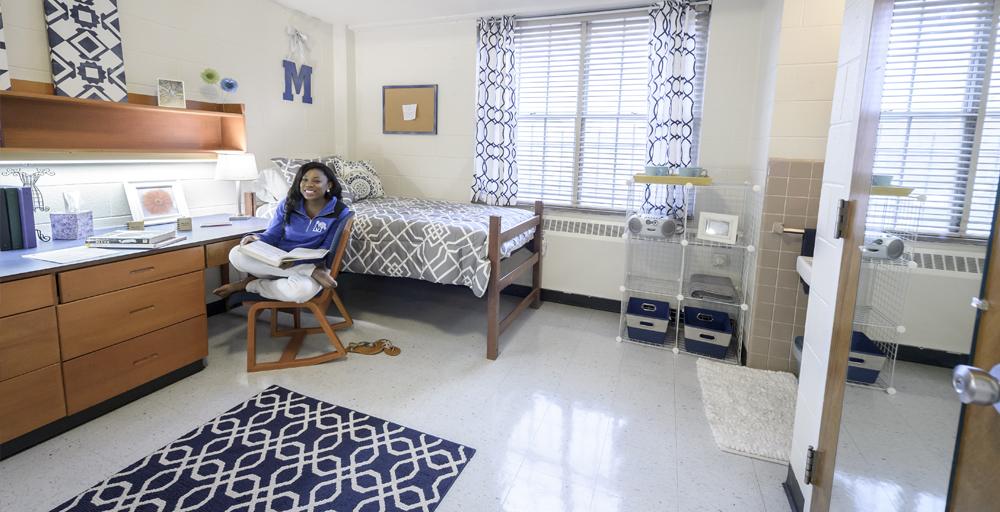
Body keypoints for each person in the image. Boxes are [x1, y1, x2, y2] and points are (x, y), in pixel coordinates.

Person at [212, 161, 350, 303]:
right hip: (282, 261)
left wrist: (304, 264)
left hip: (315, 265)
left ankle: (249, 284)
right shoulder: (288, 203)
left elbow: (327, 249)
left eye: (316, 181)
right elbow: (272, 235)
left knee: (300, 291)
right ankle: (308, 271)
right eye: (304, 180)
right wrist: (256, 238)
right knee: (235, 253)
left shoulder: (339, 211)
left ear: (329, 185)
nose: (309, 184)